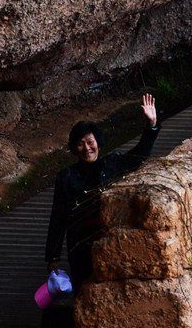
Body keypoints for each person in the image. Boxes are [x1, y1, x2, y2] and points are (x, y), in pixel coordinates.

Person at [46, 95, 160, 286]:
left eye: (90, 142)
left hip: (110, 240)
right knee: (83, 289)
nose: (87, 148)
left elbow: (141, 154)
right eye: (81, 143)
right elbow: (59, 216)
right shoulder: (66, 177)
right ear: (74, 148)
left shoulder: (113, 164)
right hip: (80, 247)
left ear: (98, 142)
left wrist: (152, 124)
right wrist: (53, 256)